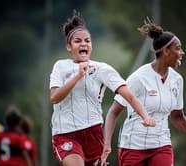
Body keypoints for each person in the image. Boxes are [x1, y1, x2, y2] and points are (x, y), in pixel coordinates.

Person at [100, 18, 186, 166]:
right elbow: (113, 112)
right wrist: (106, 143)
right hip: (132, 147)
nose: (182, 52)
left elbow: (177, 117)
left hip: (161, 146)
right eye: (178, 48)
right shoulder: (138, 78)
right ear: (166, 51)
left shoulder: (177, 80)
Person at [49, 11, 156, 166]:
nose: (83, 44)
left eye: (87, 40)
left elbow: (129, 96)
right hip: (65, 134)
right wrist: (78, 76)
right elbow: (54, 97)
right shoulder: (60, 66)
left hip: (93, 132)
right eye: (77, 41)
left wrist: (145, 116)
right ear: (69, 47)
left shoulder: (101, 69)